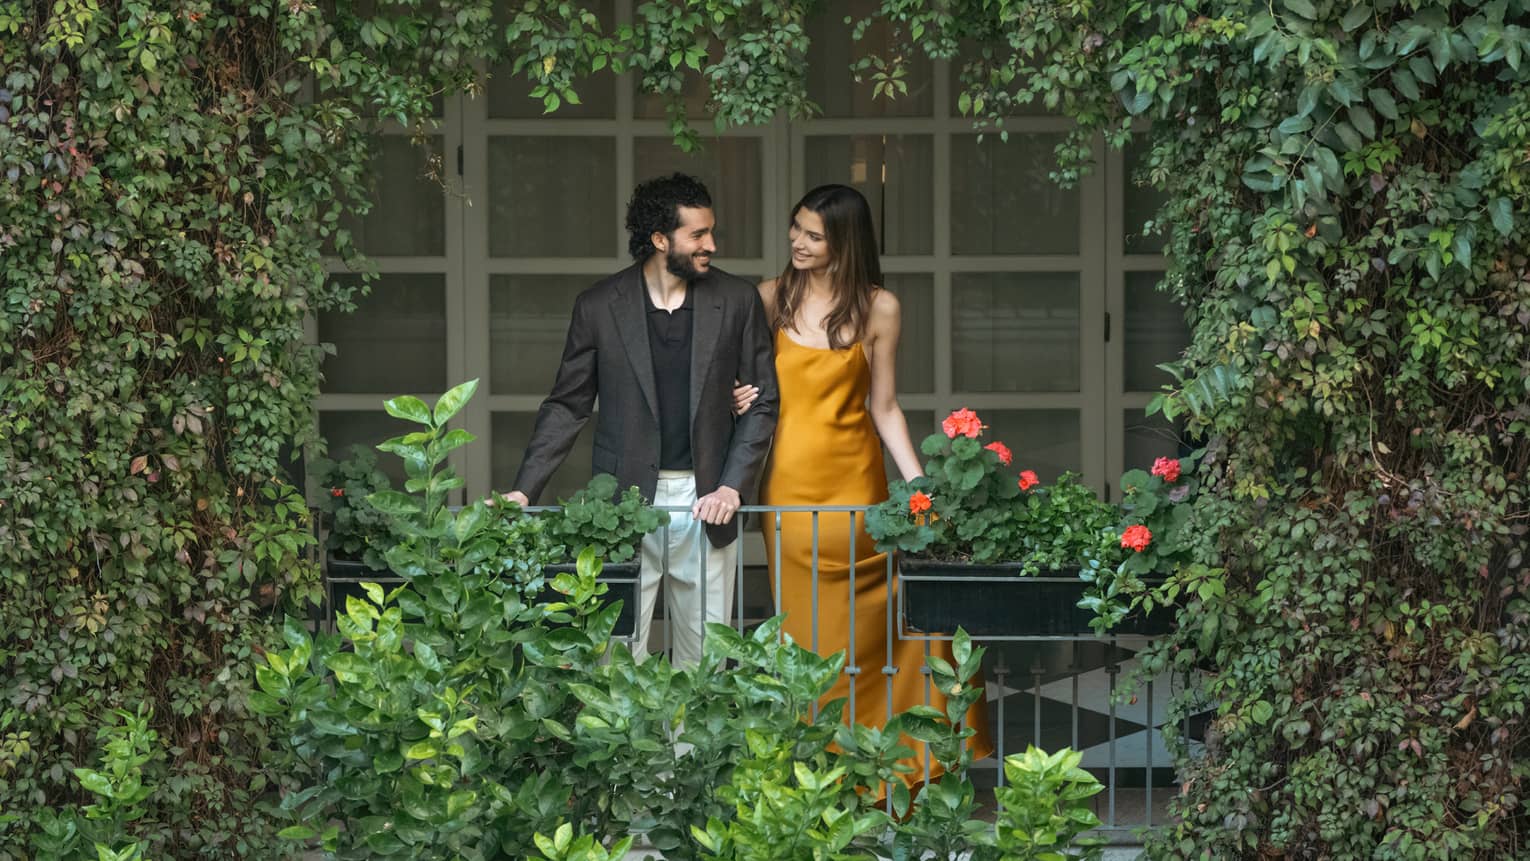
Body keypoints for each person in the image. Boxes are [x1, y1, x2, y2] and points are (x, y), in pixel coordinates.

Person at [735, 184, 992, 788]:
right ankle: (818, 779)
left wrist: (921, 491)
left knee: (894, 622)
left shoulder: (881, 308)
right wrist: (734, 397)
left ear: (845, 242)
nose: (798, 242)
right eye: (795, 228)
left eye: (814, 235)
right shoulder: (767, 299)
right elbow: (745, 394)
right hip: (790, 496)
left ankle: (896, 767)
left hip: (860, 489)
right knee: (809, 639)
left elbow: (886, 408)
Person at [502, 173, 778, 668]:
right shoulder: (598, 306)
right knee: (616, 657)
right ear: (658, 239)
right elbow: (568, 405)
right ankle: (633, 752)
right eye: (697, 234)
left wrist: (733, 488)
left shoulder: (737, 300)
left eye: (710, 232)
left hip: (708, 501)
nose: (711, 244)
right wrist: (525, 489)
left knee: (707, 658)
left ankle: (693, 752)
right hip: (622, 506)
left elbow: (762, 402)